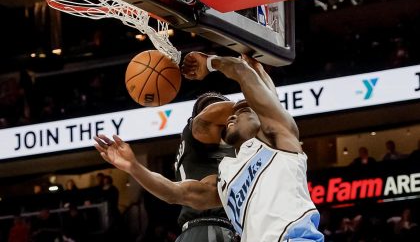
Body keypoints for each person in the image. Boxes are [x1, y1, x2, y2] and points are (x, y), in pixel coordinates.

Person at [94, 53, 323, 242]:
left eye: (241, 111)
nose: (231, 117)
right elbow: (177, 193)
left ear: (261, 120)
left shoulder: (279, 140)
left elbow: (247, 77)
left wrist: (211, 63)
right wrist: (133, 167)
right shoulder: (227, 176)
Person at [173, 92, 238, 241]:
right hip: (211, 227)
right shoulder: (196, 130)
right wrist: (253, 108)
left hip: (195, 231)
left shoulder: (198, 149)